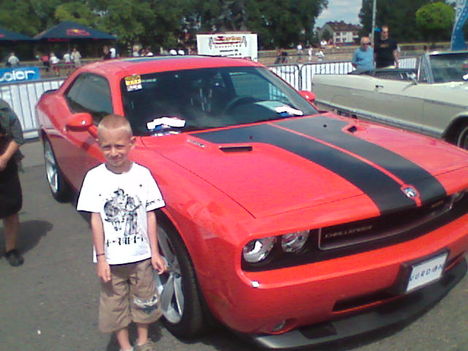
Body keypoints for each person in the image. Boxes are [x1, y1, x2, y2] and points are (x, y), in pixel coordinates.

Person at [77, 114, 167, 351]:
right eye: (107, 147)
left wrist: (155, 253)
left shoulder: (142, 175)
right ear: (99, 146)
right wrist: (101, 258)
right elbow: (96, 219)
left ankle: (143, 339)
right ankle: (125, 346)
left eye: (119, 146)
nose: (114, 152)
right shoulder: (94, 178)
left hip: (140, 255)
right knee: (114, 303)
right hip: (112, 257)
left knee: (145, 298)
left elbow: (150, 215)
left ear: (131, 143)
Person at [0, 98, 24, 267]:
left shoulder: (3, 110)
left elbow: (18, 137)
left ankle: (11, 249)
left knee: (10, 208)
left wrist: (4, 158)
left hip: (4, 165)